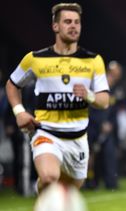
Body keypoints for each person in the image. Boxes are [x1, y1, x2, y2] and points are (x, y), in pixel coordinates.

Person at [5, 3, 110, 193]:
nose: (73, 26)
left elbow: (104, 101)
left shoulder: (93, 60)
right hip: (46, 132)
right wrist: (19, 112)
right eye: (68, 22)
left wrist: (89, 95)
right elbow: (12, 84)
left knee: (68, 193)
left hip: (78, 138)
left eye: (77, 22)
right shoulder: (35, 58)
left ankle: (47, 202)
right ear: (55, 26)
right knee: (49, 178)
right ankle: (43, 199)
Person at [86, 61, 123, 190]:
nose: (115, 77)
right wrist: (100, 123)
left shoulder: (116, 90)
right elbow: (91, 108)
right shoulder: (97, 88)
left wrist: (110, 124)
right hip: (93, 127)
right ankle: (90, 182)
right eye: (113, 74)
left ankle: (111, 182)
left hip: (108, 129)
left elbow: (114, 111)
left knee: (109, 154)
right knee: (90, 155)